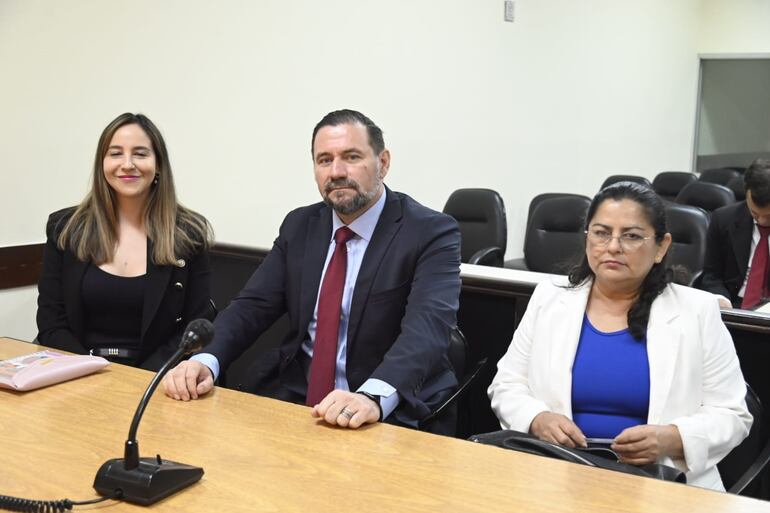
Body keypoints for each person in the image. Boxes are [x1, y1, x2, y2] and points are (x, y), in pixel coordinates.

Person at [162, 109, 462, 434]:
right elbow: (252, 306)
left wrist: (373, 396)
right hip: (301, 399)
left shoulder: (430, 232)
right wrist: (204, 361)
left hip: (389, 408)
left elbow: (427, 327)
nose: (336, 172)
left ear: (383, 162)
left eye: (351, 157)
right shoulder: (301, 225)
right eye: (324, 160)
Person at [488, 182, 751, 490]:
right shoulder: (549, 298)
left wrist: (674, 438)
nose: (613, 246)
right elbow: (507, 384)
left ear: (661, 246)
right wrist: (536, 418)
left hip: (659, 484)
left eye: (632, 236)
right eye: (601, 233)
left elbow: (733, 414)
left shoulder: (697, 311)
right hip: (556, 473)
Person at [36, 113, 213, 370]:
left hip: (157, 376)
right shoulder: (65, 228)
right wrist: (90, 370)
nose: (127, 164)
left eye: (140, 154)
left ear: (158, 165)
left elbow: (195, 326)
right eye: (116, 153)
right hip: (77, 373)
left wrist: (139, 379)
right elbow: (51, 323)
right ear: (102, 163)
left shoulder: (189, 233)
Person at [700, 158, 770, 309]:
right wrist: (720, 298)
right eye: (755, 214)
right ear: (746, 194)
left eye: (769, 216)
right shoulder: (723, 219)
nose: (762, 221)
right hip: (733, 304)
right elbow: (711, 275)